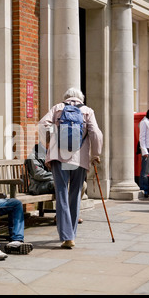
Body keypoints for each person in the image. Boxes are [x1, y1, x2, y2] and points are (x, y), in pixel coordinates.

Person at [38, 87, 103, 249]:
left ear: (65, 97)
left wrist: (52, 140)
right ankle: (71, 235)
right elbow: (95, 133)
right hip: (78, 159)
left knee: (61, 195)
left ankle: (66, 235)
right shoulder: (88, 111)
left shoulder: (57, 108)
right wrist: (96, 154)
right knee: (75, 195)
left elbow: (42, 125)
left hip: (59, 158)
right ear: (81, 98)